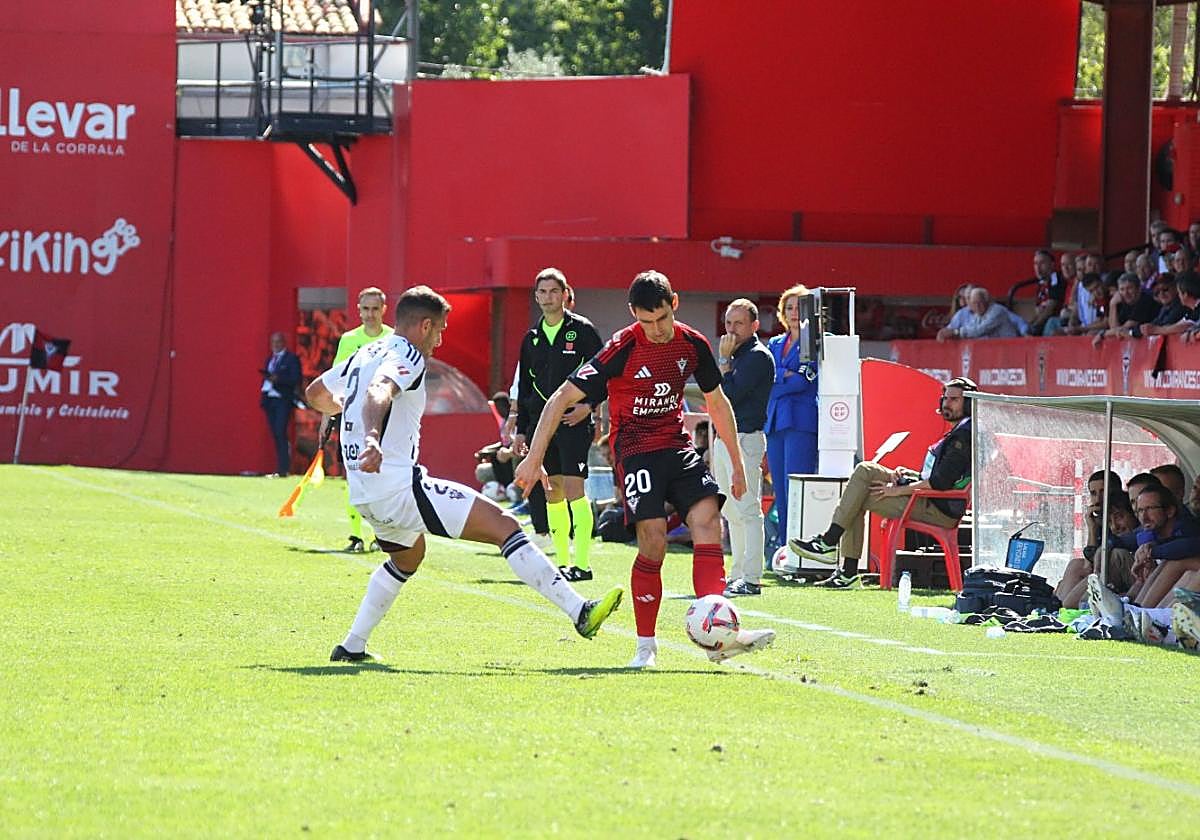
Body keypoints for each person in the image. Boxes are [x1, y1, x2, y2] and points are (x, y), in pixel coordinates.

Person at [305, 286, 623, 662]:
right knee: (505, 526)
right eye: (439, 330)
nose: (439, 340)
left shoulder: (367, 351)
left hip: (364, 489)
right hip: (396, 485)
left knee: (408, 557)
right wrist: (372, 437)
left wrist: (349, 414)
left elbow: (316, 393)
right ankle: (580, 613)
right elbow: (380, 389)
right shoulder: (406, 351)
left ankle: (351, 646)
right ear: (423, 326)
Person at [515, 270, 776, 668]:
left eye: (662, 319)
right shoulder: (621, 346)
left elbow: (717, 402)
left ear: (674, 304)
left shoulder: (693, 344)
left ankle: (721, 638)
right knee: (653, 540)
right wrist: (533, 459)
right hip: (635, 450)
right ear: (633, 314)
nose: (655, 330)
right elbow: (559, 399)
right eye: (646, 321)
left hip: (676, 444)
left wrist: (738, 466)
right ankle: (645, 647)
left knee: (708, 519)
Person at [790, 377, 976, 588]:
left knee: (859, 496)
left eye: (954, 399)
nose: (946, 404)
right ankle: (834, 552)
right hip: (928, 496)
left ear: (969, 403)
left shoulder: (963, 436)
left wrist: (898, 491)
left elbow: (940, 482)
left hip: (938, 508)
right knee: (866, 470)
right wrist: (910, 475)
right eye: (945, 398)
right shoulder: (959, 430)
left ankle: (836, 553)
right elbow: (936, 477)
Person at [513, 268, 604, 581]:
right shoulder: (531, 338)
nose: (548, 297)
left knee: (575, 490)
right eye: (542, 292)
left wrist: (588, 406)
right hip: (541, 426)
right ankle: (562, 562)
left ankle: (582, 564)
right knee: (553, 491)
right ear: (536, 296)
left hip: (573, 422)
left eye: (554, 291)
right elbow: (524, 387)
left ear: (566, 294)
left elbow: (604, 373)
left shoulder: (583, 331)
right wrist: (521, 431)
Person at [713, 299, 775, 597]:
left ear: (754, 326)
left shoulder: (757, 357)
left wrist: (723, 362)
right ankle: (738, 573)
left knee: (748, 510)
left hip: (745, 438)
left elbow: (731, 395)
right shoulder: (737, 355)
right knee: (731, 510)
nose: (732, 330)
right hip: (725, 438)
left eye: (738, 323)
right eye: (728, 323)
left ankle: (751, 577)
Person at [330, 287, 395, 552]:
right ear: (358, 310)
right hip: (353, 420)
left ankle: (382, 534)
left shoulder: (394, 338)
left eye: (375, 309)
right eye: (365, 309)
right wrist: (328, 415)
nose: (370, 314)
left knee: (384, 475)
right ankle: (355, 535)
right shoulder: (348, 340)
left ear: (384, 309)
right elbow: (337, 379)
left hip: (385, 419)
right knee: (354, 473)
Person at [765, 285, 819, 561]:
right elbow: (766, 381)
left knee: (797, 489)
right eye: (789, 307)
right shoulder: (774, 343)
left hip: (801, 422)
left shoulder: (818, 341)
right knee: (781, 492)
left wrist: (782, 377)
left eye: (799, 307)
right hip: (775, 422)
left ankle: (800, 549)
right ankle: (784, 552)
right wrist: (783, 376)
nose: (794, 313)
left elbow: (803, 380)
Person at [260, 331, 301, 476]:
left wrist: (278, 379)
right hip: (270, 400)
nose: (275, 345)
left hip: (283, 400)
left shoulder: (291, 359)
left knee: (280, 432)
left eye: (278, 342)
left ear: (283, 343)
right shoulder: (270, 359)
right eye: (273, 342)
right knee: (275, 434)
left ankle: (284, 468)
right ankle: (280, 468)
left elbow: (295, 379)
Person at [935, 287, 1020, 340]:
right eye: (974, 303)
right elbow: (970, 328)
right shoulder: (977, 315)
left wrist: (956, 332)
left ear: (987, 301)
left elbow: (980, 330)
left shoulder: (996, 311)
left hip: (1009, 349)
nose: (978, 306)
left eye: (980, 302)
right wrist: (949, 333)